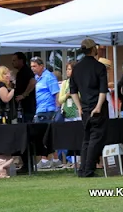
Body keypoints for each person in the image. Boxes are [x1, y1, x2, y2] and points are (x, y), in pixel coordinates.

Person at [69, 38, 109, 178]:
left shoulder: (76, 68)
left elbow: (72, 90)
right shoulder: (99, 67)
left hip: (84, 108)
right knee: (95, 139)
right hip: (97, 108)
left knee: (86, 139)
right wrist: (98, 107)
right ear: (93, 49)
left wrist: (79, 107)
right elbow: (103, 90)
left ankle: (82, 169)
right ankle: (88, 170)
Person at [30, 56, 62, 169]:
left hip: (47, 110)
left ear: (41, 66)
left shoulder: (49, 77)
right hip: (40, 109)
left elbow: (56, 94)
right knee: (47, 135)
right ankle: (56, 159)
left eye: (35, 66)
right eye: (31, 66)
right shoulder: (36, 78)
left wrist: (56, 110)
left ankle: (44, 160)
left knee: (43, 136)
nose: (33, 68)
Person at [13, 52, 36, 124]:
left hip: (27, 107)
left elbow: (33, 82)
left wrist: (24, 95)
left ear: (21, 60)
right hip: (21, 107)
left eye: (14, 60)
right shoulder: (19, 72)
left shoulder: (26, 71)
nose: (12, 62)